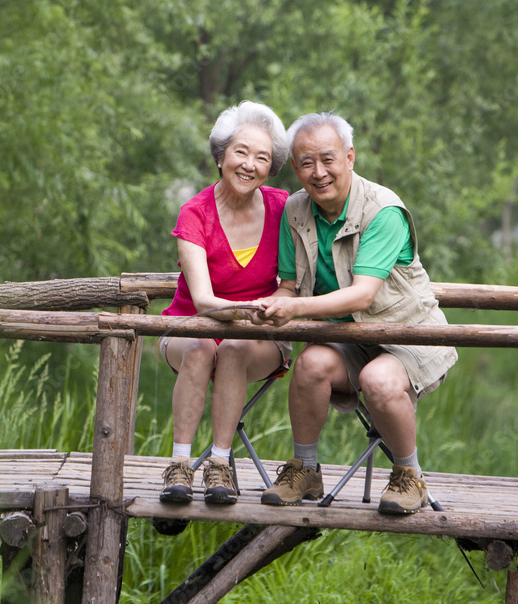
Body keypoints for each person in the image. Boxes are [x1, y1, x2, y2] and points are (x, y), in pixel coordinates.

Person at [254, 112, 458, 514]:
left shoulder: (383, 210)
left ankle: (409, 476)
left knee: (378, 379)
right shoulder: (295, 210)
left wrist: (294, 308)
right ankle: (305, 470)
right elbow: (289, 285)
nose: (318, 172)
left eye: (327, 159)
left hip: (407, 335)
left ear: (350, 157)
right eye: (306, 162)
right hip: (349, 339)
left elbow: (361, 296)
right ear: (294, 167)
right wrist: (271, 306)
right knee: (310, 364)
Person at [158, 100, 292, 506]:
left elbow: (292, 282)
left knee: (232, 347)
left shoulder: (283, 207)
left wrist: (274, 307)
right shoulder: (195, 212)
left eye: (262, 157)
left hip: (259, 335)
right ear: (220, 157)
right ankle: (180, 465)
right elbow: (201, 301)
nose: (249, 164)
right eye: (240, 152)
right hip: (192, 327)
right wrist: (247, 310)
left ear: (271, 167)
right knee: (204, 344)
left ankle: (220, 464)